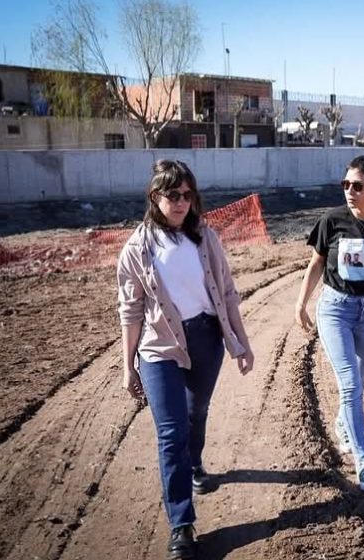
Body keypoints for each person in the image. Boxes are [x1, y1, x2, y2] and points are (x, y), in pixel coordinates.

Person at [117, 160, 254, 560]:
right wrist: (128, 366)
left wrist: (241, 344)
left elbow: (227, 293)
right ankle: (182, 525)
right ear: (154, 196)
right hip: (159, 347)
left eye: (187, 195)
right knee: (171, 433)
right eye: (172, 195)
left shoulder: (204, 237)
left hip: (205, 339)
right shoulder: (135, 250)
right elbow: (130, 312)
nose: (180, 203)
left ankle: (196, 464)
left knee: (197, 414)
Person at [294, 155, 364, 492]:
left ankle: (344, 425)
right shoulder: (331, 220)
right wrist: (301, 304)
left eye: (357, 186)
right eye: (345, 184)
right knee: (349, 385)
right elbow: (316, 264)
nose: (349, 190)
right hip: (335, 310)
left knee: (359, 381)